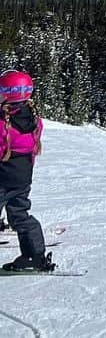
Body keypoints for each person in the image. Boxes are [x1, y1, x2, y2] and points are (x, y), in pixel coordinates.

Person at [0, 70, 54, 272]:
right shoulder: (34, 120)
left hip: (4, 177)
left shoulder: (3, 124)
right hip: (22, 179)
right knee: (20, 214)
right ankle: (34, 255)